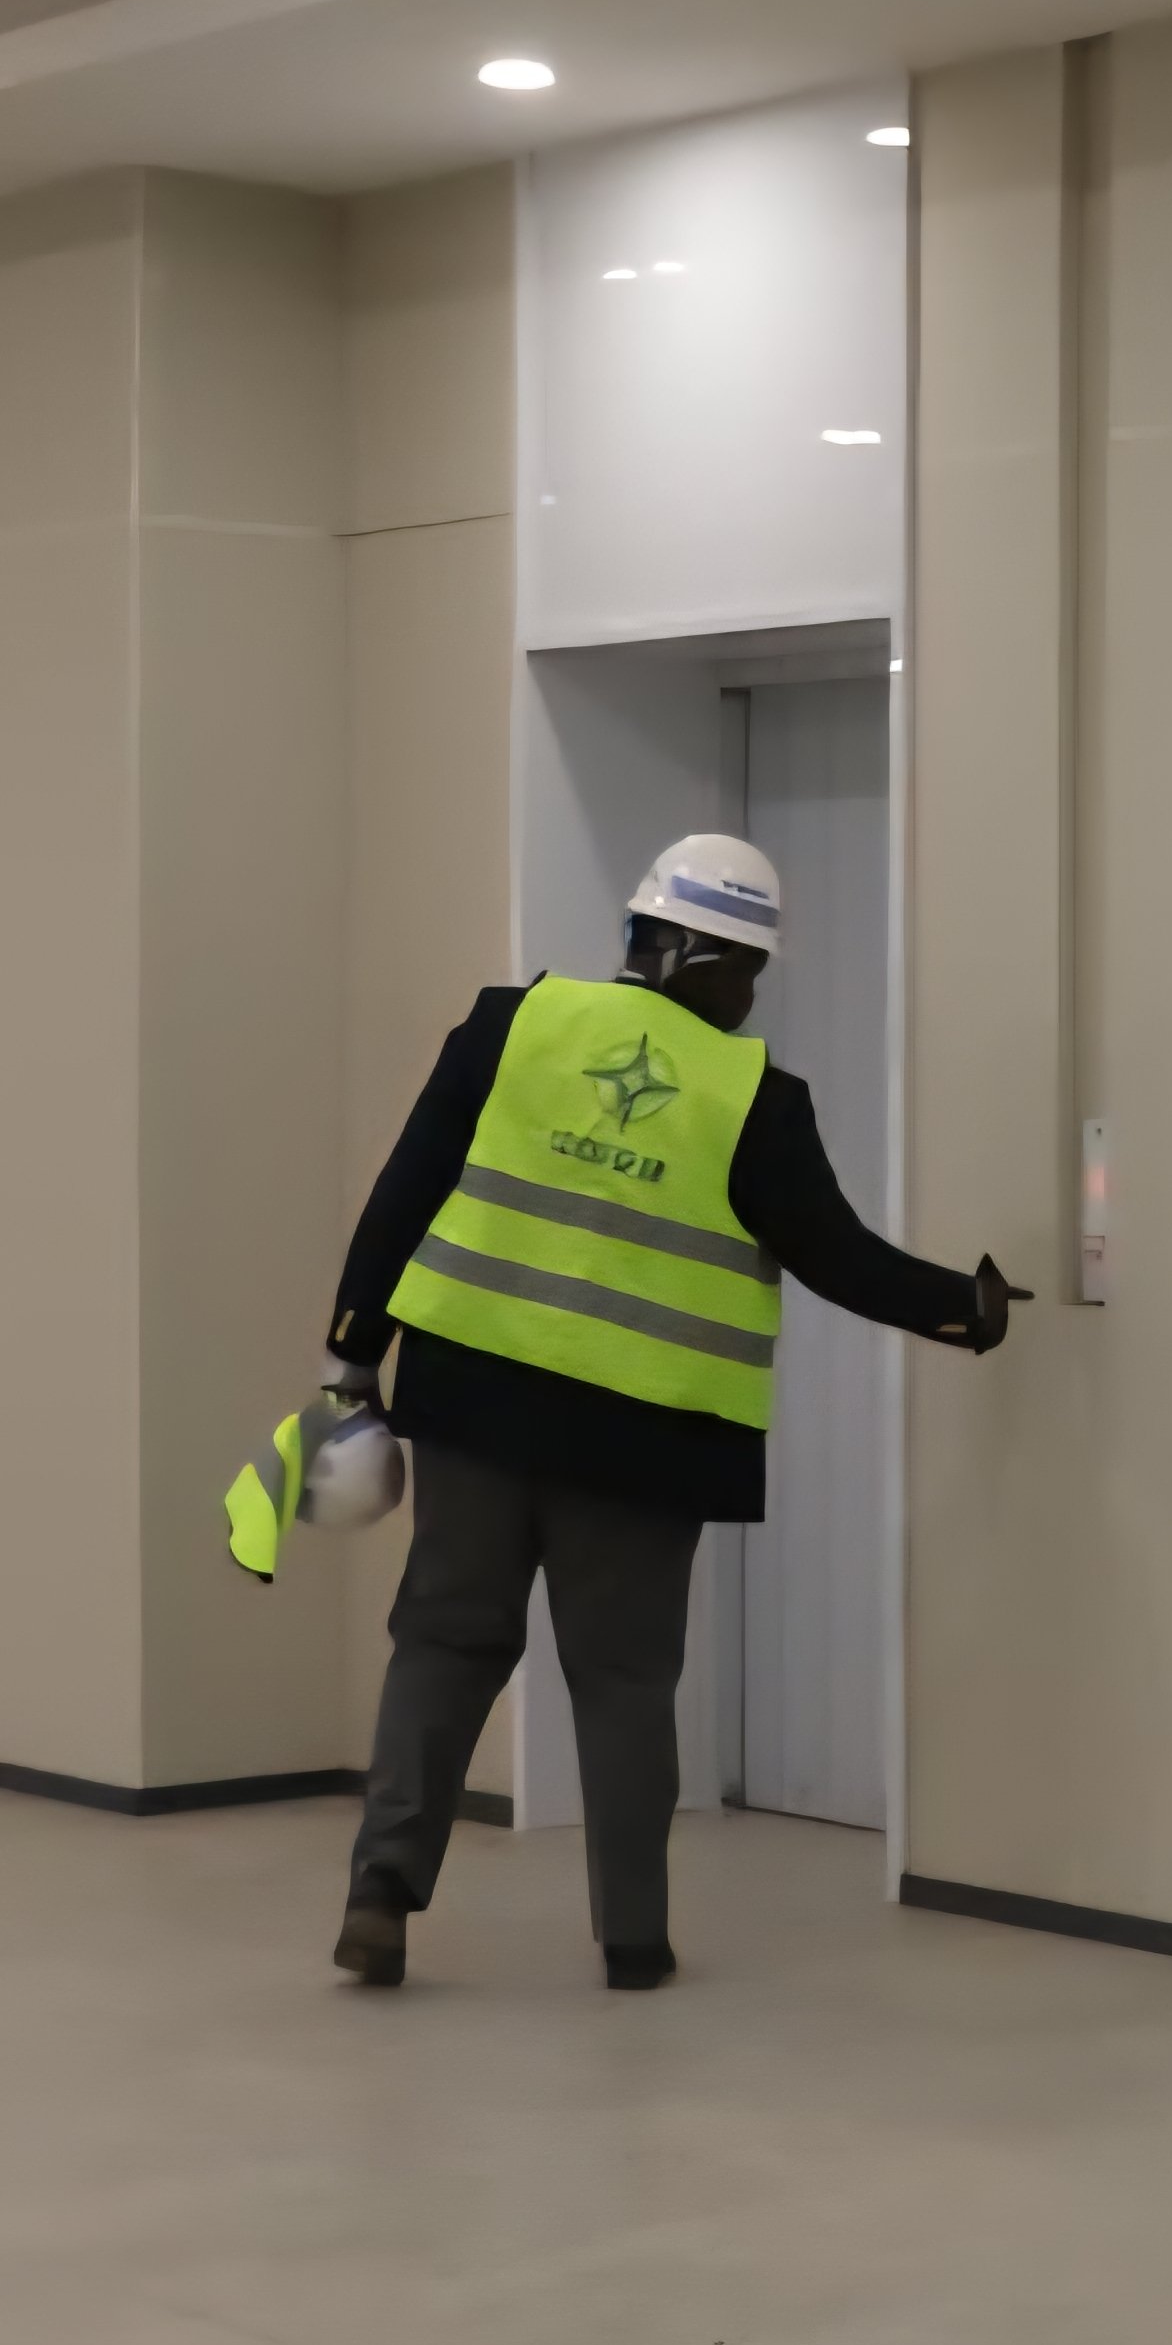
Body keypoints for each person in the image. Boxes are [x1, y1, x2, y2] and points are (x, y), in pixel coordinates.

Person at [318, 832, 1013, 1990]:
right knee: (624, 1683)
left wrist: (353, 1360)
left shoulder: (508, 1027)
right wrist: (967, 1311)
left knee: (442, 1644)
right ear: (695, 956)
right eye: (746, 972)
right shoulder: (753, 1099)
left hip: (472, 1407)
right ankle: (632, 1942)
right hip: (641, 1444)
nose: (749, 1000)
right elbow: (837, 1258)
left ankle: (381, 1892)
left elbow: (406, 1192)